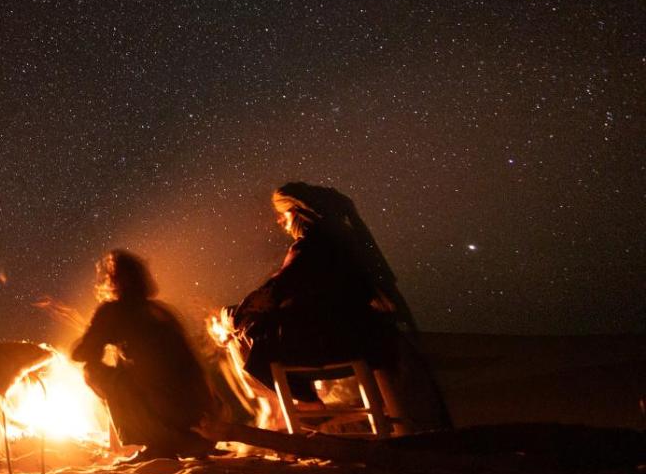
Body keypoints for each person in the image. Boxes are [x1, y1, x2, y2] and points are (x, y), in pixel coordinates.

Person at [231, 182, 450, 428]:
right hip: (362, 338)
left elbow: (277, 290)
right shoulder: (345, 245)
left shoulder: (312, 246)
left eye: (284, 214)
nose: (280, 222)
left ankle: (309, 403)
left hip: (336, 343)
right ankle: (309, 402)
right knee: (261, 329)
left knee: (251, 336)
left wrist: (238, 313)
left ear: (299, 212)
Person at [72, 250, 214, 458]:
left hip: (173, 417)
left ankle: (157, 441)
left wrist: (91, 339)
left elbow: (83, 353)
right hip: (203, 421)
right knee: (124, 363)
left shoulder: (115, 311)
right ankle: (176, 439)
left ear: (113, 280)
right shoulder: (160, 311)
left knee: (92, 370)